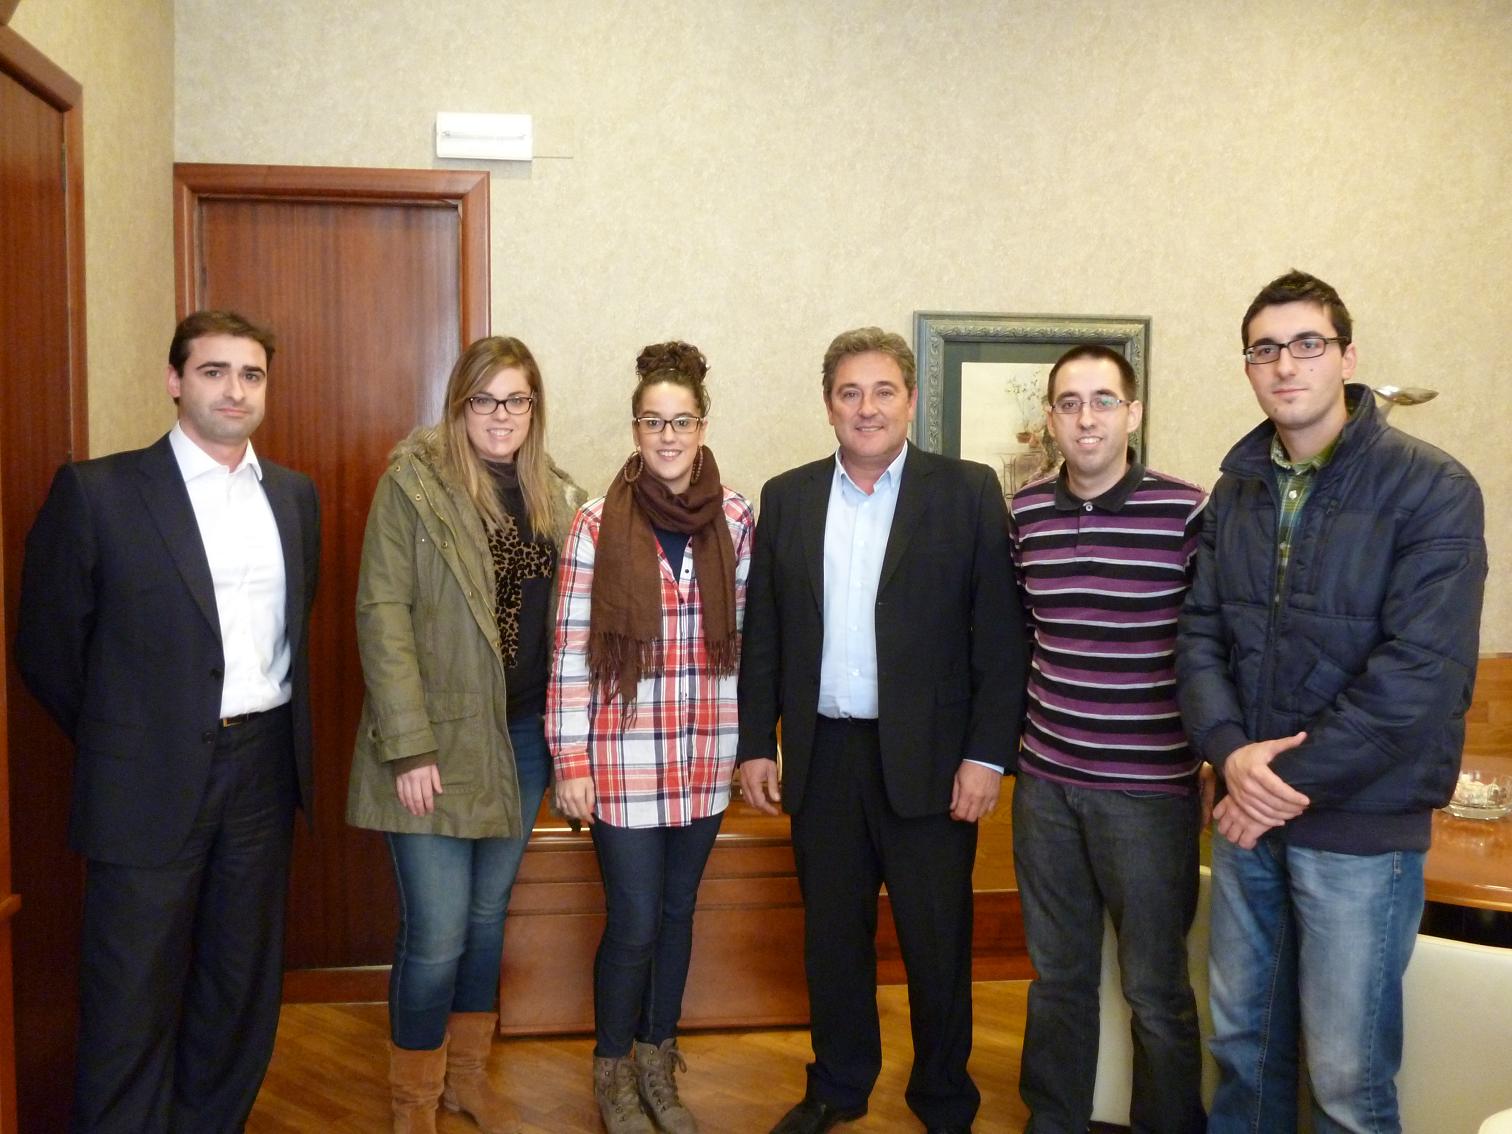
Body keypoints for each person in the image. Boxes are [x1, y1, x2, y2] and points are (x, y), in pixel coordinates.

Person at [1176, 270, 1487, 1133]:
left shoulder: (1430, 486)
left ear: (1347, 358)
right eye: (1265, 349)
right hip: (1248, 813)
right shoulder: (1237, 487)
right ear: (1248, 367)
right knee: (1243, 1047)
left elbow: (1421, 674)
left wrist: (1275, 784)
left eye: (1307, 344)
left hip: (1360, 824)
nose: (1286, 365)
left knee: (1347, 1078)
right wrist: (1228, 751)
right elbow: (1199, 632)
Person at [15, 310, 320, 1133]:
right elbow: (46, 648)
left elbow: (295, 624)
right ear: (175, 380)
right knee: (130, 994)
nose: (235, 390)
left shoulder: (293, 496)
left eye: (251, 375)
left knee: (238, 985)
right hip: (143, 780)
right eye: (214, 371)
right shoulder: (99, 492)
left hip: (263, 771)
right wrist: (128, 734)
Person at [738, 327, 1025, 1134]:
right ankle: (837, 1085)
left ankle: (943, 1097)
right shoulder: (788, 496)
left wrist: (986, 757)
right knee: (833, 938)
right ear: (829, 404)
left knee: (938, 942)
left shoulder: (967, 491)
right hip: (823, 756)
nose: (866, 408)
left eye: (883, 391)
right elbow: (765, 635)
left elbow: (1001, 639)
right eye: (849, 393)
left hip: (933, 762)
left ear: (911, 399)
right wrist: (757, 742)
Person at [346, 335, 585, 1134]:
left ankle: (466, 1080)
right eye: (484, 399)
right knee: (438, 932)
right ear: (459, 406)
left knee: (486, 921)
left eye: (516, 400)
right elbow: (383, 616)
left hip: (522, 742)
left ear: (534, 409)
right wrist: (408, 746)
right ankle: (413, 1100)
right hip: (436, 746)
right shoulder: (413, 486)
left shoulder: (557, 496)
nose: (501, 416)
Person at [547, 341, 753, 1134]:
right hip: (623, 760)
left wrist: (751, 750)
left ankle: (657, 1061)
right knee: (634, 921)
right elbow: (571, 652)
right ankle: (612, 1070)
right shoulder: (596, 523)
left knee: (677, 915)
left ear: (703, 426)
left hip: (704, 754)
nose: (668, 436)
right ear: (635, 429)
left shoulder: (735, 518)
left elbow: (751, 643)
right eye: (653, 422)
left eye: (682, 421)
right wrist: (571, 761)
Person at [1008, 344, 1208, 1133]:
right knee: (1057, 978)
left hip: (1149, 793)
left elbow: (1213, 645)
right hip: (1047, 787)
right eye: (1068, 402)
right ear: (1050, 418)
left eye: (1102, 400)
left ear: (1134, 413)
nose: (1085, 418)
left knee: (1155, 989)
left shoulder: (1187, 512)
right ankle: (1053, 1120)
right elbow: (1021, 639)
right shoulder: (1024, 514)